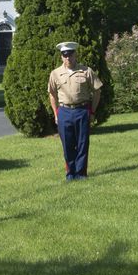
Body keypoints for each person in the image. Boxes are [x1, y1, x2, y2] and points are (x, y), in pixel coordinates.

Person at [48, 41, 103, 181]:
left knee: (82, 143)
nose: (68, 58)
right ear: (61, 57)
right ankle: (70, 173)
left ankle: (81, 173)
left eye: (70, 55)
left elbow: (97, 91)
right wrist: (56, 113)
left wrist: (92, 111)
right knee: (67, 144)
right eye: (64, 55)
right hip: (64, 112)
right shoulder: (55, 74)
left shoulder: (86, 71)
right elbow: (52, 94)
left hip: (82, 110)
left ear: (75, 55)